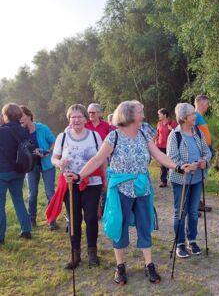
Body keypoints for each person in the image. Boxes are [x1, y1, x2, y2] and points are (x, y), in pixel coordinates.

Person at [65, 100, 189, 285]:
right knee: (119, 227)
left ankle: (149, 264)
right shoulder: (113, 137)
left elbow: (159, 155)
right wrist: (79, 175)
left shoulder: (144, 134)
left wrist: (177, 166)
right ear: (129, 115)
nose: (143, 115)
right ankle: (120, 266)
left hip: (143, 188)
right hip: (121, 190)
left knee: (144, 225)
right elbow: (98, 159)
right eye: (140, 112)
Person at [51, 104, 106, 269]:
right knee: (74, 218)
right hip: (69, 184)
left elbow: (102, 159)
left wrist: (105, 179)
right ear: (69, 119)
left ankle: (92, 253)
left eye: (79, 116)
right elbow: (54, 158)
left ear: (85, 118)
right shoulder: (63, 137)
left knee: (91, 218)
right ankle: (75, 255)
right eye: (72, 117)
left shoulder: (95, 136)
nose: (76, 120)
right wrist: (59, 162)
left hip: (92, 182)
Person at [167, 103, 211, 258]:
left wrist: (204, 161)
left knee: (193, 212)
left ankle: (192, 240)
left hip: (197, 179)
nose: (195, 116)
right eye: (192, 114)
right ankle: (180, 243)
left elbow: (206, 151)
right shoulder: (175, 135)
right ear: (184, 117)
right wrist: (185, 167)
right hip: (181, 180)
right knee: (180, 211)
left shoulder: (197, 131)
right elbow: (172, 159)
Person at [20, 106, 57, 229]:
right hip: (31, 167)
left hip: (47, 164)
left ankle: (52, 220)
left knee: (50, 193)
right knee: (32, 194)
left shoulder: (42, 128)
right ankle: (32, 219)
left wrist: (47, 151)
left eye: (22, 116)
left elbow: (54, 142)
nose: (20, 119)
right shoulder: (20, 131)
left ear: (29, 115)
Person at [0, 103, 32, 244]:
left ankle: (0, 237)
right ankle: (26, 230)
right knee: (18, 200)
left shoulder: (2, 131)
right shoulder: (23, 130)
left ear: (6, 115)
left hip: (2, 172)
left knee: (0, 204)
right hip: (19, 171)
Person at [194, 94, 213, 212]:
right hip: (199, 153)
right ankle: (195, 204)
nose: (207, 106)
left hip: (204, 152)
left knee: (201, 178)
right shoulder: (195, 116)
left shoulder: (200, 117)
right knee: (197, 178)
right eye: (206, 103)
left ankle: (197, 202)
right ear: (201, 103)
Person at [154, 108, 177, 187]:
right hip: (160, 146)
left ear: (164, 115)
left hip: (169, 147)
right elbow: (157, 134)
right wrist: (155, 142)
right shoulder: (159, 123)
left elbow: (177, 133)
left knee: (169, 164)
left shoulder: (172, 123)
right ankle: (163, 181)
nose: (158, 115)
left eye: (159, 114)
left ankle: (172, 179)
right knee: (162, 164)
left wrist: (172, 129)